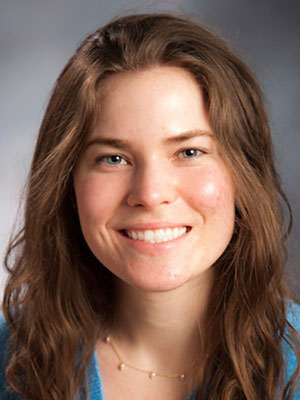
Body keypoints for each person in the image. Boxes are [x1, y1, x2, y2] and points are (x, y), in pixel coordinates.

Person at [0, 12, 299, 400]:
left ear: (243, 174)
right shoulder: (10, 362)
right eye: (113, 158)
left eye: (189, 151)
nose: (151, 192)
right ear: (67, 184)